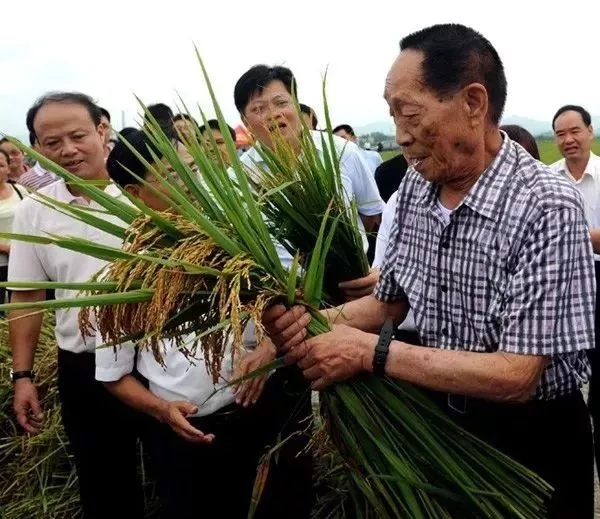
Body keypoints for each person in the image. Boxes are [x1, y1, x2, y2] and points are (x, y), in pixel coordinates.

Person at [263, 24, 595, 519]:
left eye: (410, 113)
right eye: (393, 114)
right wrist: (314, 324)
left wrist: (368, 352)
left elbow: (517, 375)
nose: (400, 135)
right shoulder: (418, 186)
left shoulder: (546, 205)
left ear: (474, 102)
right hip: (439, 424)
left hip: (528, 442)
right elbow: (392, 300)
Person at [97, 131, 279, 519]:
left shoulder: (241, 237)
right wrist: (162, 411)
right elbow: (113, 375)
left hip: (263, 411)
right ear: (134, 192)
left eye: (192, 168)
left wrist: (271, 346)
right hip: (187, 432)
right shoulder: (126, 274)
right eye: (172, 174)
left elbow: (288, 307)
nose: (190, 182)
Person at [233, 63, 384, 518]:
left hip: (350, 302)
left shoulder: (341, 154)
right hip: (283, 310)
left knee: (366, 413)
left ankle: (369, 493)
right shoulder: (242, 176)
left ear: (298, 107)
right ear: (245, 122)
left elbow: (373, 218)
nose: (273, 114)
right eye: (258, 108)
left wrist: (369, 272)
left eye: (281, 102)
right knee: (291, 420)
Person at [7, 92, 148, 519]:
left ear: (102, 130)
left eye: (78, 135)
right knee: (103, 483)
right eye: (52, 143)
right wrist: (23, 376)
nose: (67, 150)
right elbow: (27, 295)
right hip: (83, 366)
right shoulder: (36, 211)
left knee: (175, 475)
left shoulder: (144, 194)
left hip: (156, 360)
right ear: (36, 147)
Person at [549, 104, 600, 479]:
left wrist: (573, 236)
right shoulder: (549, 179)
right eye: (560, 134)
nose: (568, 140)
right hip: (564, 284)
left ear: (590, 131)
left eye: (575, 131)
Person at [0, 148, 27, 307]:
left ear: (8, 168)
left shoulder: (20, 190)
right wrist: (7, 249)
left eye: (1, 165)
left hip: (20, 261)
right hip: (3, 260)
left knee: (18, 304)